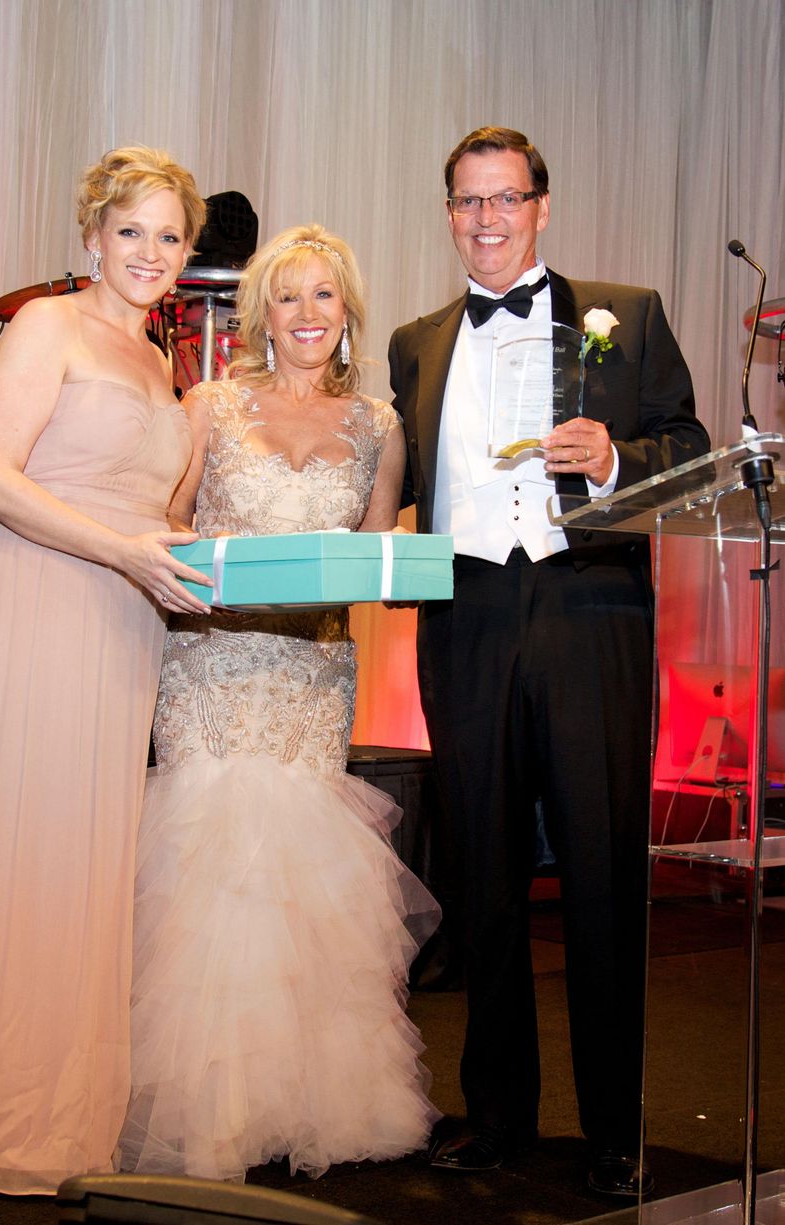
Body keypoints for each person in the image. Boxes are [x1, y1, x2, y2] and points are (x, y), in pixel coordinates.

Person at [388, 127, 711, 1198]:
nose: (486, 219)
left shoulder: (624, 314)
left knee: (601, 865)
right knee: (478, 864)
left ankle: (614, 1132)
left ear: (539, 206)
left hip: (588, 608)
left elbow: (690, 450)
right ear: (446, 214)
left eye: (505, 199)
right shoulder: (413, 341)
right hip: (466, 612)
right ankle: (496, 1116)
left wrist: (617, 457)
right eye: (466, 202)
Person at [115, 224, 441, 1182]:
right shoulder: (207, 403)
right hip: (214, 667)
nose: (306, 315)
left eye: (324, 297)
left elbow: (377, 555)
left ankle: (308, 1101)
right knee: (213, 871)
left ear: (347, 313)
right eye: (288, 297)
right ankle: (205, 1113)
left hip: (313, 673)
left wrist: (406, 575)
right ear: (262, 312)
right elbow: (163, 521)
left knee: (306, 881)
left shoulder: (381, 424)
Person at [0, 146, 213, 1196]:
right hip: (36, 600)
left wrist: (198, 551)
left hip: (120, 621)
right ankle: (14, 1129)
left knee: (91, 867)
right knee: (30, 861)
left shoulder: (159, 364)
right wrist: (126, 549)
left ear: (186, 254)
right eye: (128, 230)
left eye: (167, 235)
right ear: (90, 237)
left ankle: (71, 1123)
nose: (148, 252)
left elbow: (156, 516)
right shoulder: (47, 326)